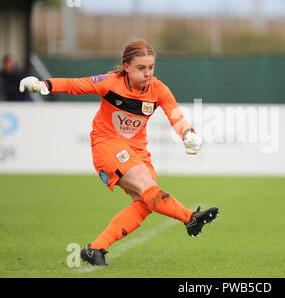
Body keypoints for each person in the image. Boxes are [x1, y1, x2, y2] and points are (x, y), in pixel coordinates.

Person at [19, 40, 219, 266]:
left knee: (145, 204)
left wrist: (188, 134)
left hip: (137, 150)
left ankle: (95, 248)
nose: (147, 73)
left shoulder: (158, 89)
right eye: (141, 68)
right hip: (107, 144)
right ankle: (190, 217)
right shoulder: (111, 83)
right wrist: (42, 85)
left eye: (151, 67)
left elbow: (175, 114)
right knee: (147, 187)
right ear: (126, 66)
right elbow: (76, 84)